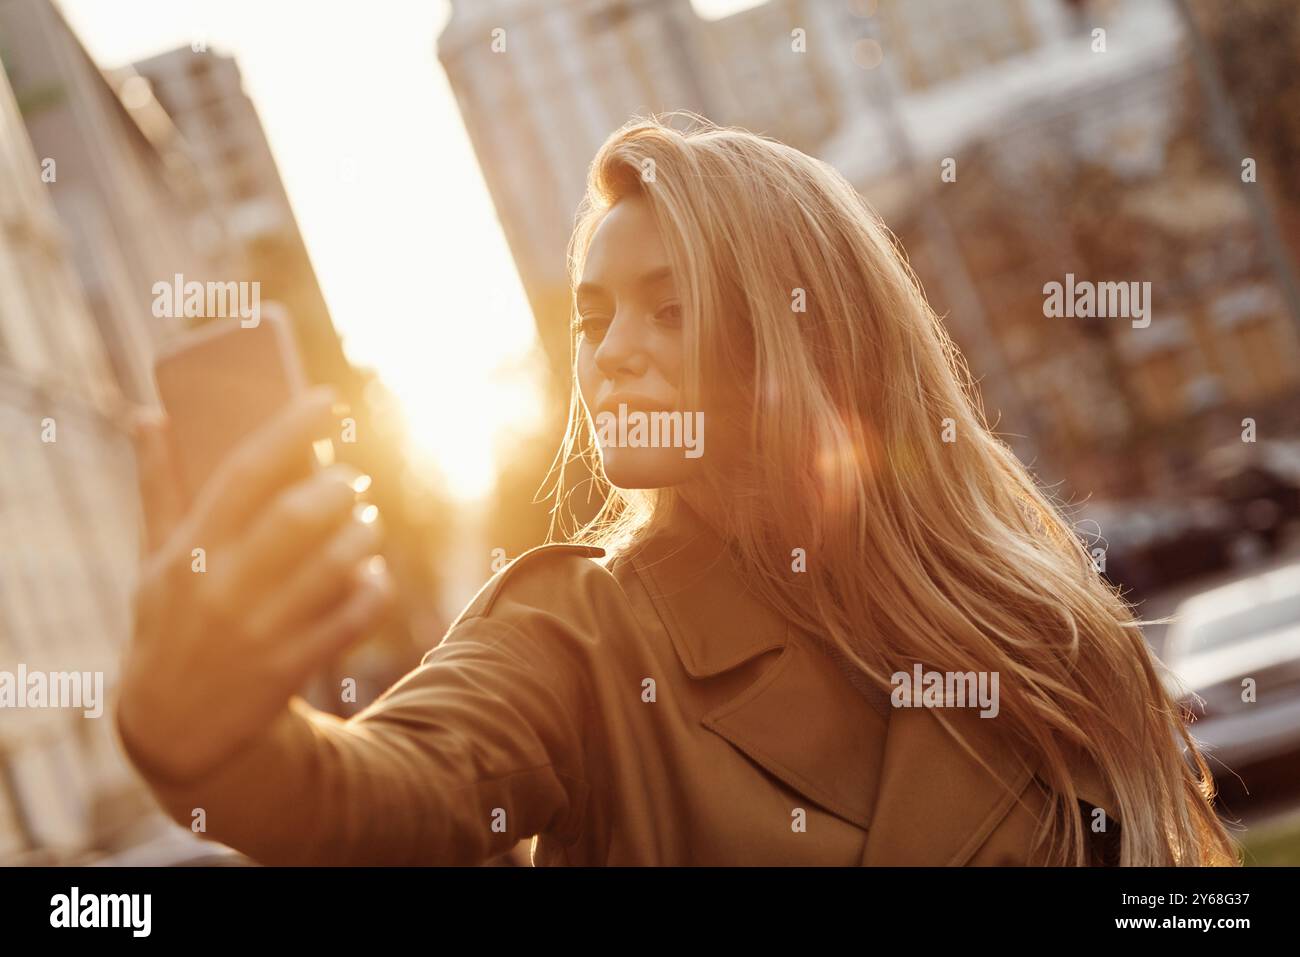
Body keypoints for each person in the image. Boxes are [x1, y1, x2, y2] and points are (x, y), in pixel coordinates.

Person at [117, 115, 1238, 866]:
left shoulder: (1036, 614)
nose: (609, 352)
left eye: (669, 305)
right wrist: (211, 736)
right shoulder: (577, 635)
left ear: (810, 335)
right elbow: (379, 792)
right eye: (592, 318)